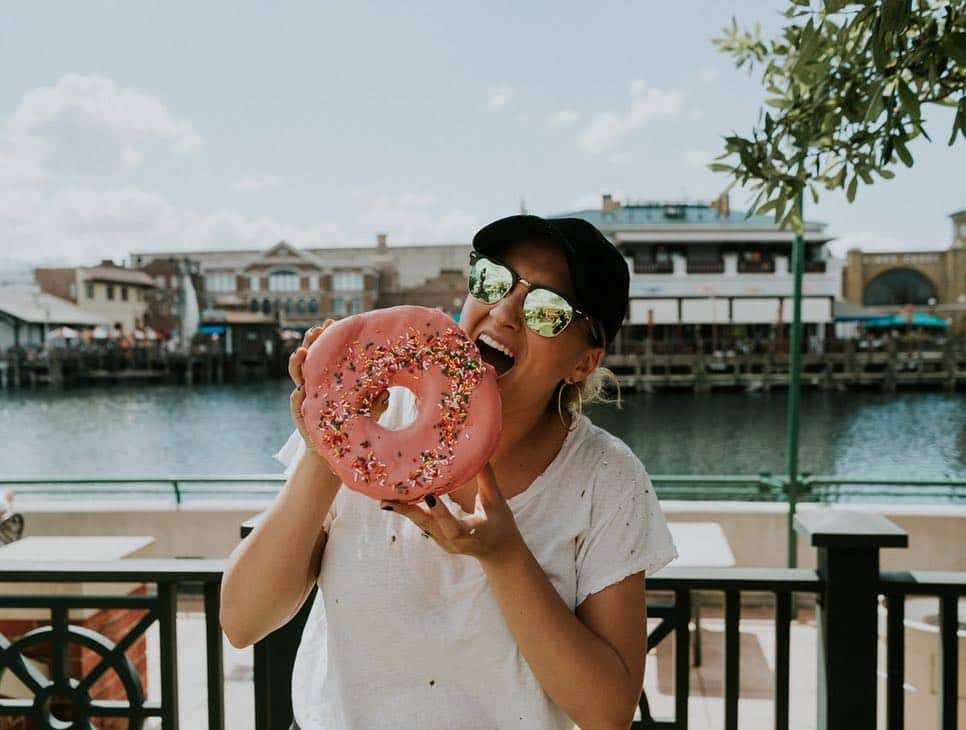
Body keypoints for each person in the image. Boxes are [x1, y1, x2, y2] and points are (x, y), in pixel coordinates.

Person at [221, 215, 678, 729]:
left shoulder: (605, 477)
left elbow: (607, 712)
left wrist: (505, 558)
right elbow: (242, 621)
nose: (505, 312)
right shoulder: (372, 418)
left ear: (583, 363)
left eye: (547, 310)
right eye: (493, 281)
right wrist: (329, 450)